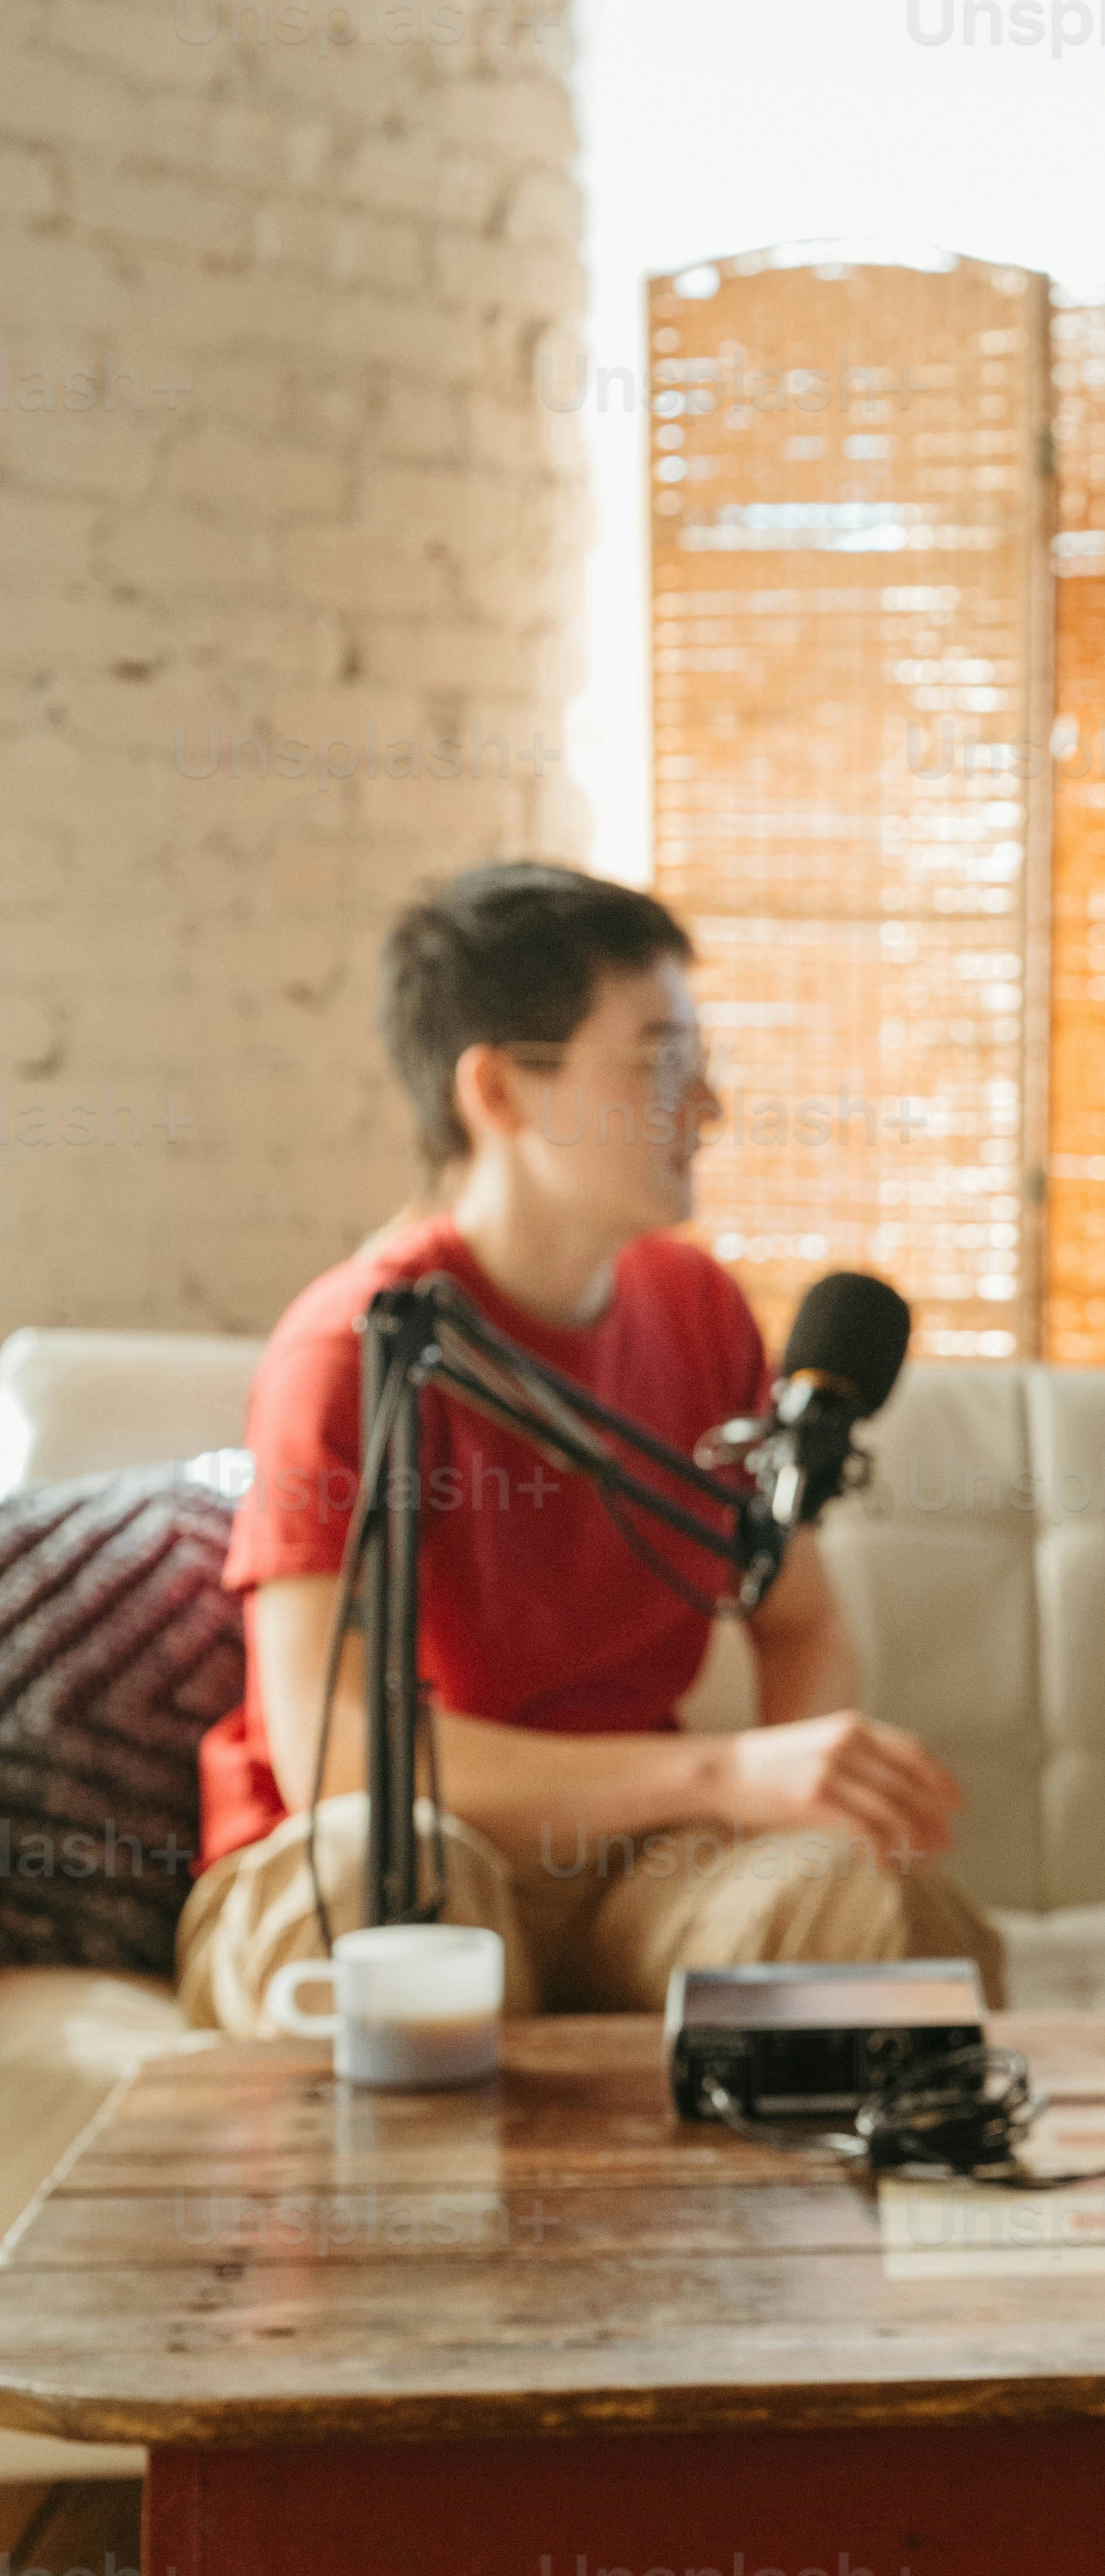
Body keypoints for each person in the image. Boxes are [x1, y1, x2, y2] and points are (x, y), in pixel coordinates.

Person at [176, 860, 1002, 2031]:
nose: (707, 1104)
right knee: (379, 1884)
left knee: (843, 1898)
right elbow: (335, 1750)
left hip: (631, 1869)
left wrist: (783, 1806)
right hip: (384, 1849)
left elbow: (799, 1618)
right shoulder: (355, 1346)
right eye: (659, 1059)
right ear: (498, 1089)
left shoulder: (698, 1311)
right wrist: (721, 1772)